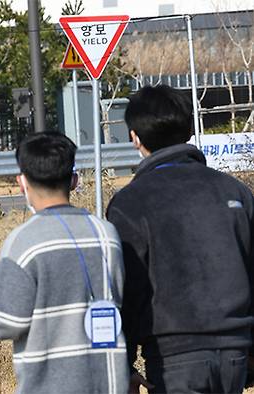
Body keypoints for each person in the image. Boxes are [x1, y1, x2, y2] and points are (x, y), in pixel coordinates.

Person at [106, 85, 254, 393]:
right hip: (235, 351)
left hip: (173, 354)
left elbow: (127, 289)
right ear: (189, 128)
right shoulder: (233, 191)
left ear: (135, 137)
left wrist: (124, 365)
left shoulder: (131, 202)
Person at [0, 131, 129, 394]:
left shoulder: (23, 242)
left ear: (22, 182)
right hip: (109, 383)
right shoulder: (106, 234)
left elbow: (8, 320)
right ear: (73, 180)